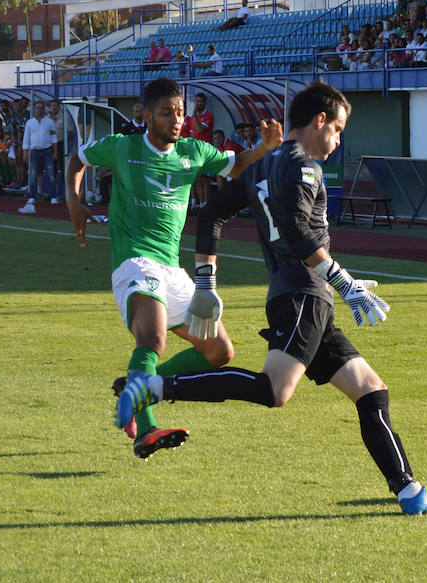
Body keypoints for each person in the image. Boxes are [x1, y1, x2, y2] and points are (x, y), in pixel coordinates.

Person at [115, 80, 427, 515]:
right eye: (337, 130)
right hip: (304, 295)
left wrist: (206, 282)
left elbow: (211, 213)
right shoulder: (303, 164)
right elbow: (300, 232)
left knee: (370, 389)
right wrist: (344, 282)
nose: (337, 142)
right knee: (274, 391)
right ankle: (154, 386)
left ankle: (411, 494)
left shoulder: (264, 163)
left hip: (302, 298)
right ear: (318, 121)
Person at [64, 77, 283, 459]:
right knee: (152, 340)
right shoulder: (121, 146)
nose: (176, 120)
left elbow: (236, 166)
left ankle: (140, 387)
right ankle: (145, 431)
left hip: (172, 269)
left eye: (180, 113)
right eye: (167, 113)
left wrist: (262, 147)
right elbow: (76, 160)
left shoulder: (193, 151)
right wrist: (73, 200)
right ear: (146, 115)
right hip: (134, 263)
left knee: (218, 351)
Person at [18, 101, 58, 214]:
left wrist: (55, 153)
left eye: (41, 108)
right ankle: (32, 196)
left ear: (44, 110)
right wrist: (25, 153)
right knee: (33, 175)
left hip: (47, 151)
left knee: (51, 175)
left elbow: (54, 137)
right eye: (38, 108)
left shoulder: (49, 122)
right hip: (34, 152)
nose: (39, 110)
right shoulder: (29, 123)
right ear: (34, 110)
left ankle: (53, 197)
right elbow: (26, 139)